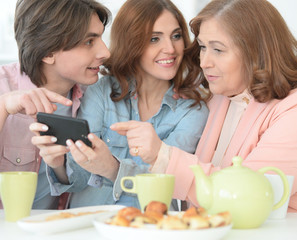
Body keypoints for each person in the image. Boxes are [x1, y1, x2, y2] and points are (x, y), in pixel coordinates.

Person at [112, 0, 297, 211]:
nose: (204, 62)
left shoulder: (291, 113)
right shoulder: (218, 99)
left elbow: (246, 198)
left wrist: (163, 155)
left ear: (257, 52)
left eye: (218, 50)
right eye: (202, 47)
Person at [30, 0, 209, 209]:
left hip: (149, 227)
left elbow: (167, 188)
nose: (170, 48)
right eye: (154, 39)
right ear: (131, 42)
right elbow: (77, 181)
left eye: (176, 36)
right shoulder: (102, 92)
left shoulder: (192, 111)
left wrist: (113, 168)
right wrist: (57, 164)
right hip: (89, 226)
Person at [0, 0, 111, 209]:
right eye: (89, 41)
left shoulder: (95, 98)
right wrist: (0, 109)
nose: (105, 52)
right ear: (48, 52)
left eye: (100, 37)